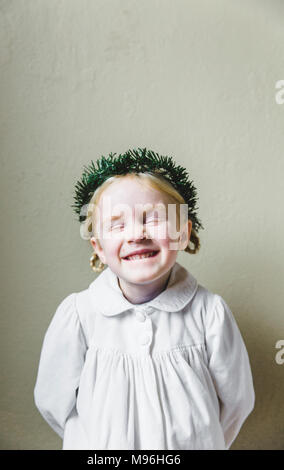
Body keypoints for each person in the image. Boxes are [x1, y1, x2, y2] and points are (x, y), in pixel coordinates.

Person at [34, 148, 255, 450]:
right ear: (98, 247)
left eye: (153, 219)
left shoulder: (209, 313)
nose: (137, 234)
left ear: (182, 232)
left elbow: (237, 402)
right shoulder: (80, 315)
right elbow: (52, 402)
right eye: (118, 224)